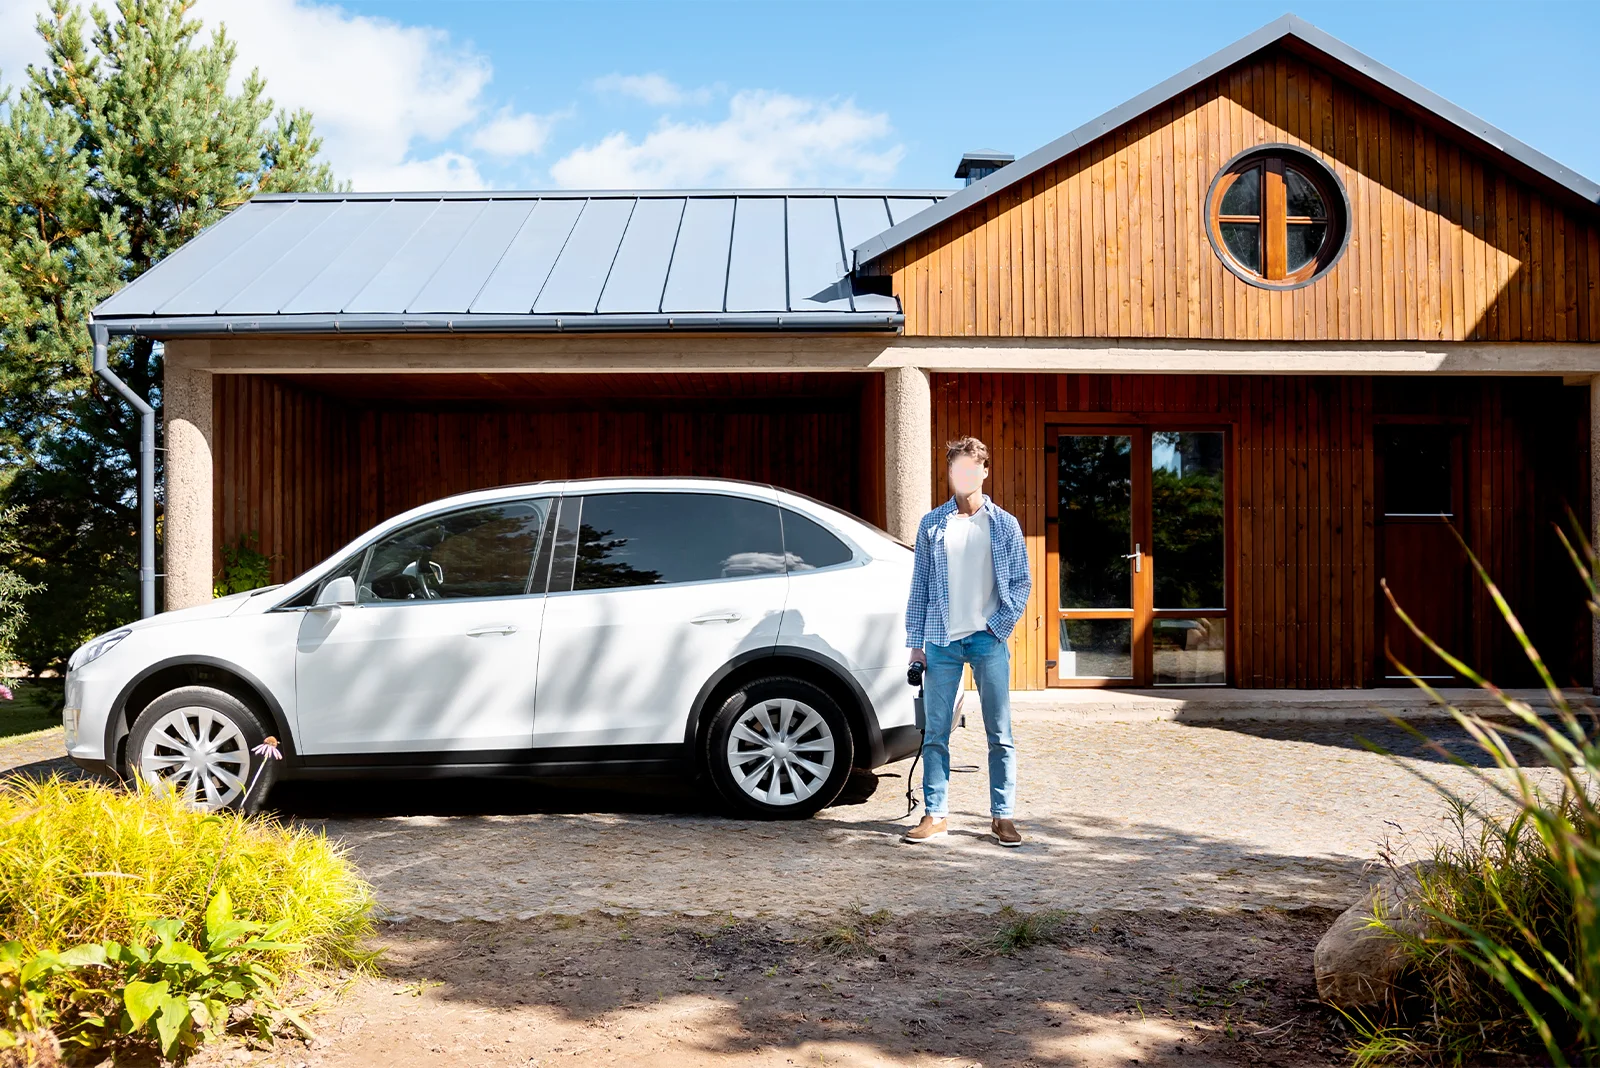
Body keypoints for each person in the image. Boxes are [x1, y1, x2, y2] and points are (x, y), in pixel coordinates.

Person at [902, 436, 1032, 847]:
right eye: (957, 470)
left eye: (972, 470)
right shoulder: (932, 524)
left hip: (987, 640)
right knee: (936, 732)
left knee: (1000, 734)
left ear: (984, 471)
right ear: (950, 473)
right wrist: (916, 641)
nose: (964, 476)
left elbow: (1021, 582)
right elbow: (919, 585)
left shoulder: (1004, 523)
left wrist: (998, 627)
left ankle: (1003, 817)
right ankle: (935, 814)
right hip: (941, 641)